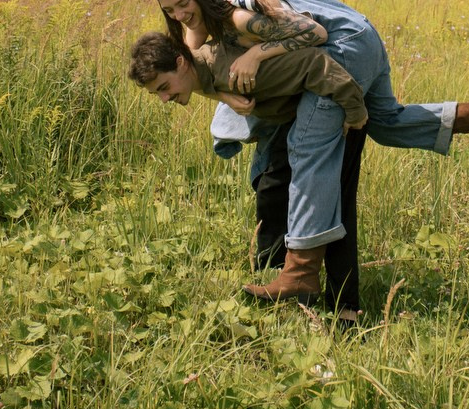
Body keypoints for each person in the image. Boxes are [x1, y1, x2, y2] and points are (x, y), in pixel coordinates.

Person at [151, 0, 469, 304]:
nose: (180, 14)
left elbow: (312, 33)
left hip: (341, 45)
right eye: (170, 10)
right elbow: (193, 65)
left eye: (184, 3)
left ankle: (300, 273)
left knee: (307, 146)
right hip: (360, 33)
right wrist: (224, 94)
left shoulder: (238, 18)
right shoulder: (201, 20)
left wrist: (256, 54)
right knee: (388, 123)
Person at [128, 31, 367, 316]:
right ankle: (278, 286)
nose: (165, 99)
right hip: (294, 104)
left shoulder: (236, 63)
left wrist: (356, 114)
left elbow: (317, 63)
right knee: (272, 184)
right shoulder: (196, 67)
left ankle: (344, 312)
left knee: (331, 196)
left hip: (339, 86)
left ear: (180, 63)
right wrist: (223, 96)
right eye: (158, 93)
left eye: (164, 87)